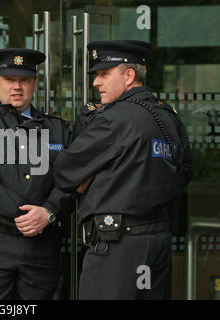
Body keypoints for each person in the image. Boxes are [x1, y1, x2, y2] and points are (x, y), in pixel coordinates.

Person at [54, 40, 193, 299]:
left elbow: (64, 171)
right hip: (157, 243)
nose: (96, 82)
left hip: (117, 249)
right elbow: (184, 173)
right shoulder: (169, 117)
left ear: (129, 76)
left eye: (104, 73)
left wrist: (94, 176)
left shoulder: (114, 118)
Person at [0, 48, 74, 299]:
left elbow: (72, 180)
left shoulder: (58, 129)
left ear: (35, 83)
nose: (17, 87)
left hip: (40, 249)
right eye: (10, 80)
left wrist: (49, 212)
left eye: (24, 80)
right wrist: (26, 213)